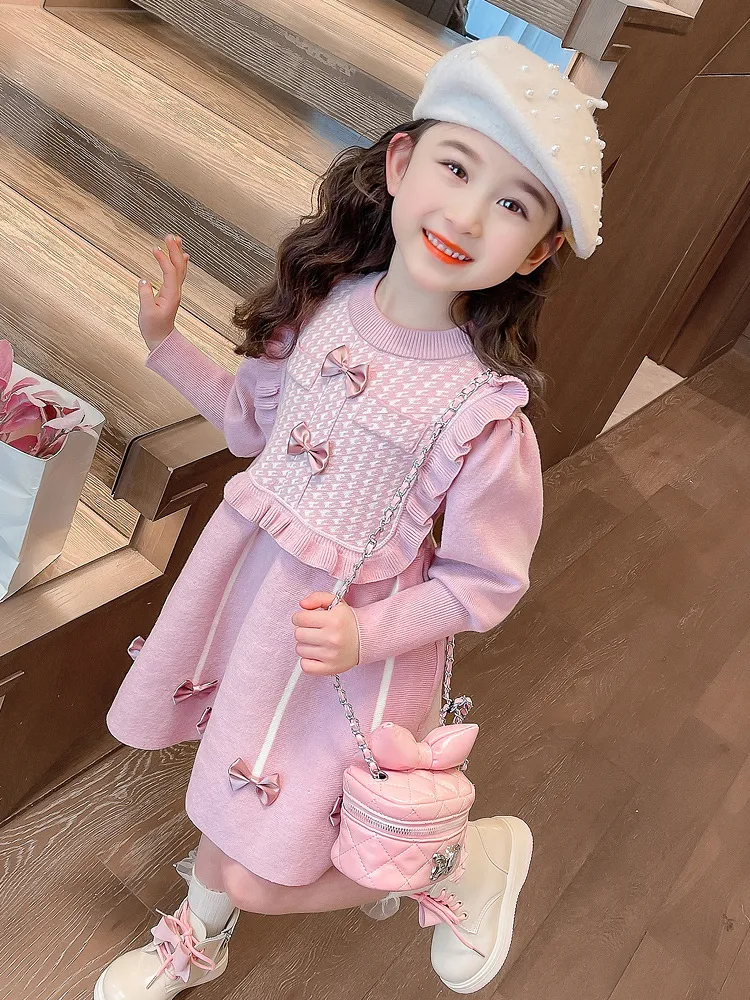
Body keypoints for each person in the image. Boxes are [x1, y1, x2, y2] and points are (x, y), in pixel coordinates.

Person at [97, 34, 606, 999]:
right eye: (456, 168)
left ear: (539, 249)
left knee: (265, 863)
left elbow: (485, 582)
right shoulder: (325, 302)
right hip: (257, 602)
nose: (467, 215)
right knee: (233, 788)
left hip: (355, 654)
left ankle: (459, 862)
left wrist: (366, 635)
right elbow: (254, 426)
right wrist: (165, 345)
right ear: (402, 163)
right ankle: (198, 936)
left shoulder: (482, 412)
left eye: (512, 205)